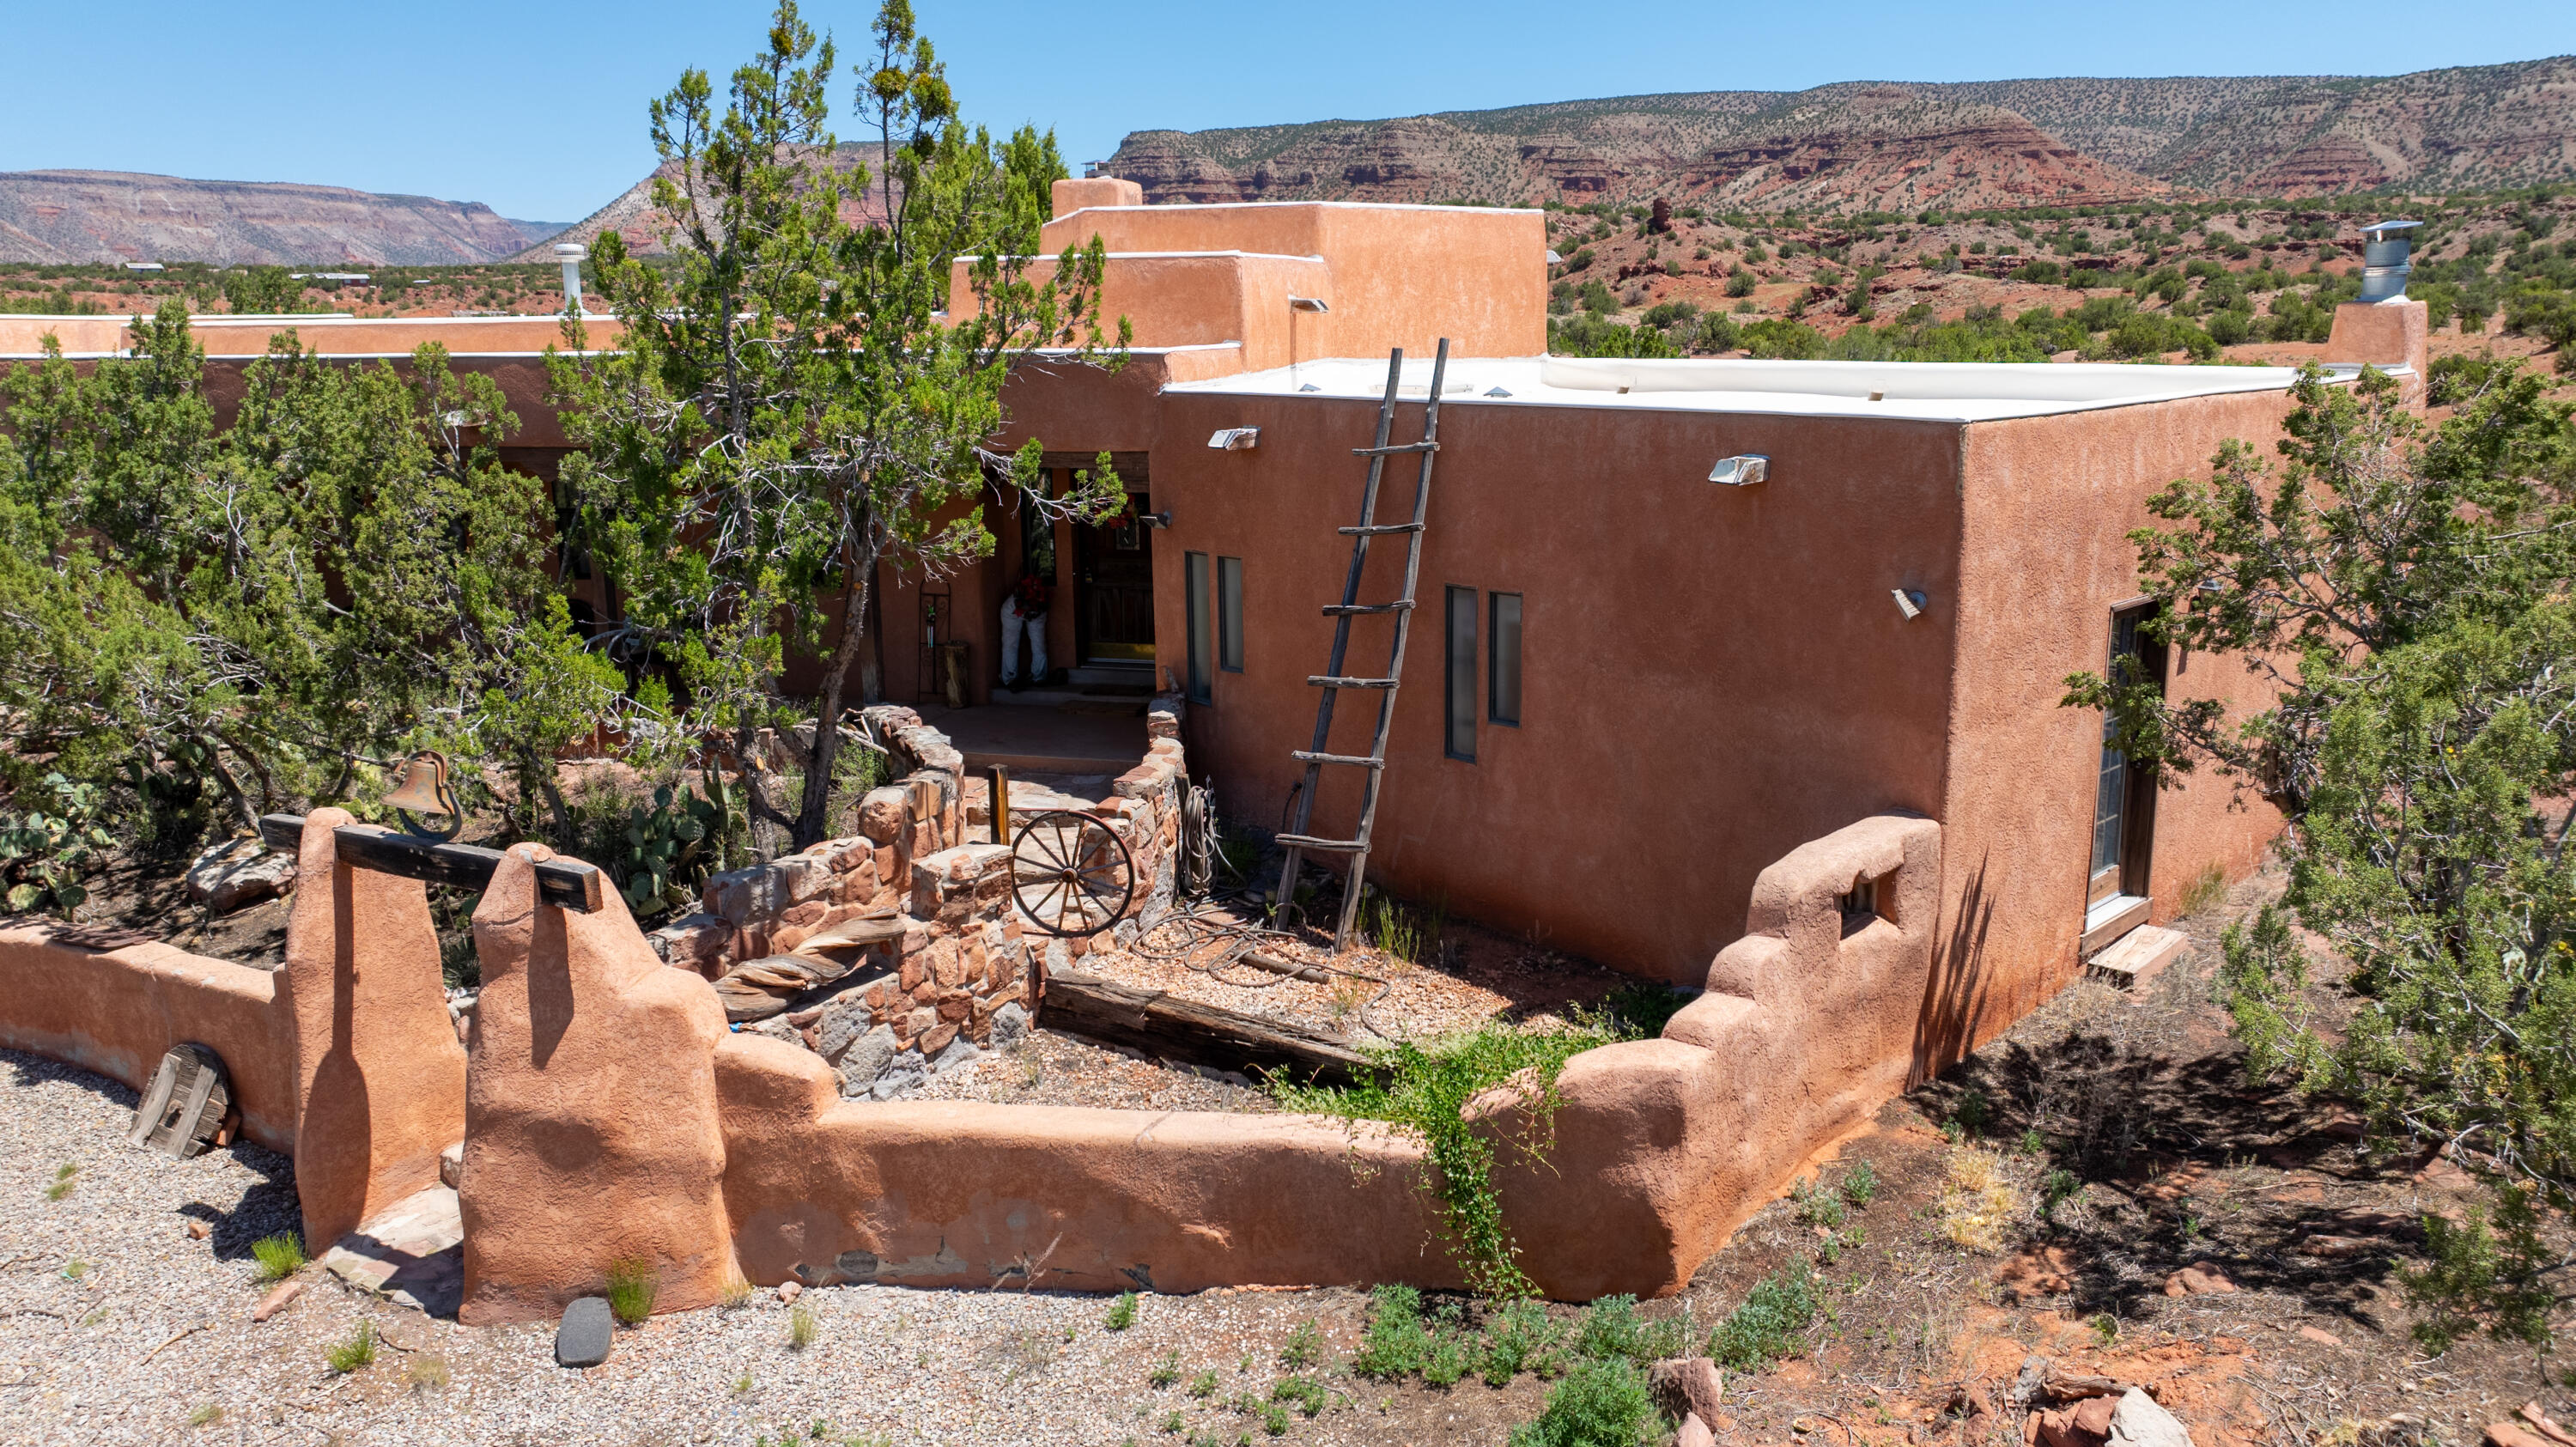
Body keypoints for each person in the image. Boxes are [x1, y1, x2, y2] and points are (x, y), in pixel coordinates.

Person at [1000, 575, 1049, 690]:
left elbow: (1039, 611)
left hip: (1037, 612)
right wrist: (1026, 611)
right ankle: (1010, 678)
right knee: (1010, 644)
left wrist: (1033, 613)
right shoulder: (1015, 601)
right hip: (1011, 612)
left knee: (1039, 644)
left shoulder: (1042, 600)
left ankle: (1039, 677)